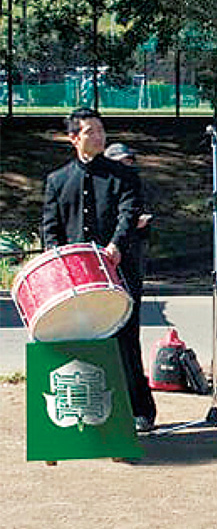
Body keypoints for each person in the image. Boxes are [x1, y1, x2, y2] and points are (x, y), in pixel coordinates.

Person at [42, 109, 157, 432]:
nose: (99, 136)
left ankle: (140, 411)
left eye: (101, 130)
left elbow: (128, 212)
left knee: (124, 339)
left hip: (120, 270)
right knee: (83, 340)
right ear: (74, 138)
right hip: (77, 277)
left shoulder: (123, 175)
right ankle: (89, 413)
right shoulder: (57, 180)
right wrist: (57, 258)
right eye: (91, 131)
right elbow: (51, 229)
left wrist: (117, 244)